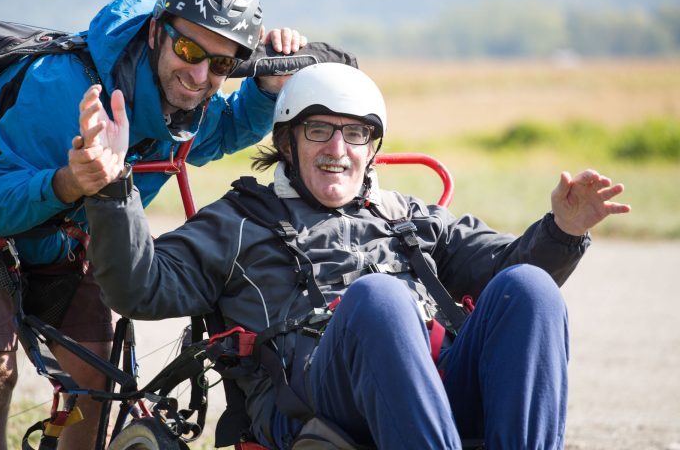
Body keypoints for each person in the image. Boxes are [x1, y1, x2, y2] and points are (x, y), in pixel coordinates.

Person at [72, 62, 631, 449]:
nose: (337, 150)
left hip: (430, 393)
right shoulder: (235, 222)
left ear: (372, 148)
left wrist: (561, 230)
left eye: (355, 134)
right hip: (312, 403)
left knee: (530, 288)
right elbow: (139, 287)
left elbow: (505, 270)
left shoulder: (409, 216)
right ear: (288, 142)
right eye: (319, 130)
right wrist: (113, 188)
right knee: (380, 298)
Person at [0, 0, 307, 449]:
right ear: (156, 32)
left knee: (96, 382)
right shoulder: (65, 89)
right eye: (190, 51)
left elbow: (223, 131)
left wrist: (263, 90)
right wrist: (68, 182)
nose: (199, 77)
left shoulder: (183, 102)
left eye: (221, 66)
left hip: (68, 234)